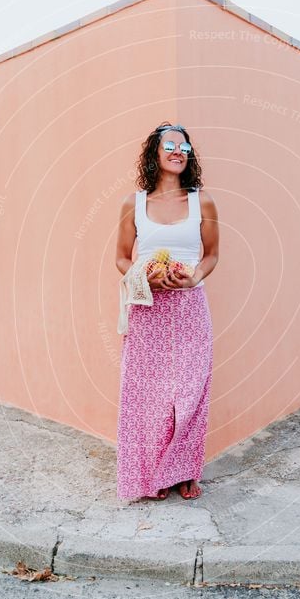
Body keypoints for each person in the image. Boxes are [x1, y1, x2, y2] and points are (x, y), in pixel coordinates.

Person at [115, 122, 219, 501]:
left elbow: (211, 255)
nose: (178, 151)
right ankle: (153, 472)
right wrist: (146, 276)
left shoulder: (201, 202)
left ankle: (185, 470)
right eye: (170, 145)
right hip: (148, 307)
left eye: (184, 147)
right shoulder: (135, 203)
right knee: (149, 393)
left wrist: (192, 279)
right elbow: (121, 258)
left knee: (191, 390)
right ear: (155, 154)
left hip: (190, 306)